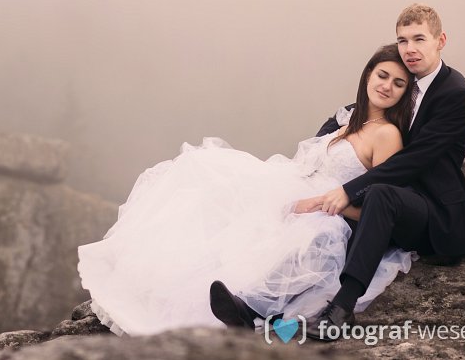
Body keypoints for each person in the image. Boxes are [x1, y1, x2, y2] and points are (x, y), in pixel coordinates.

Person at [77, 43, 415, 336]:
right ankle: (169, 281)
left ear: (405, 94)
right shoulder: (348, 120)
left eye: (398, 83)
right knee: (212, 177)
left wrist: (323, 205)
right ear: (368, 75)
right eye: (382, 75)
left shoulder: (386, 135)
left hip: (332, 214)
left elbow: (379, 208)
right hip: (301, 193)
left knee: (313, 233)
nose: (387, 86)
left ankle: (247, 308)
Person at [294, 3, 465, 340]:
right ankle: (255, 308)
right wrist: (344, 121)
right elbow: (374, 106)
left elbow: (415, 159)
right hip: (393, 201)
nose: (409, 49)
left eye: (419, 39)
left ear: (440, 40)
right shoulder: (406, 83)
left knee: (376, 196)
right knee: (316, 225)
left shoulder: (455, 93)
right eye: (402, 40)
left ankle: (341, 309)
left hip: (432, 211)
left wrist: (349, 190)